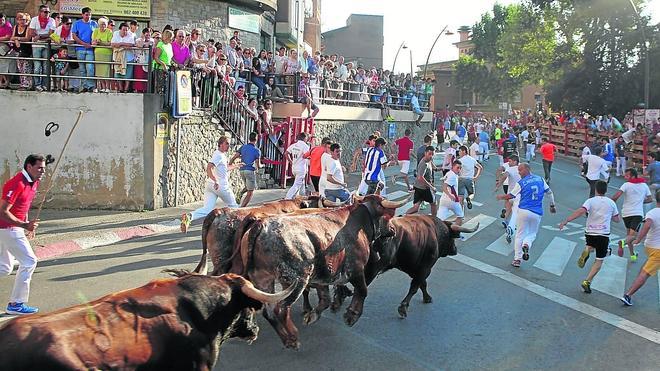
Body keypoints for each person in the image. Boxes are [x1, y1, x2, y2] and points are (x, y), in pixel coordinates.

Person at [0, 154, 46, 315]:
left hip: (14, 228)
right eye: (39, 168)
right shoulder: (17, 183)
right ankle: (15, 304)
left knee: (4, 268)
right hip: (7, 228)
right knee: (29, 261)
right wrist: (24, 225)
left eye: (44, 168)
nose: (43, 171)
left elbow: (23, 206)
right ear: (29, 167)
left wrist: (27, 226)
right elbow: (3, 212)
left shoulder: (34, 182)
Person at [559, 180, 620, 294]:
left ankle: (587, 249)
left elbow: (580, 211)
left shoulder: (590, 201)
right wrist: (609, 215)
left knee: (591, 245)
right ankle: (587, 281)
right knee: (599, 260)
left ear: (596, 189)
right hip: (603, 234)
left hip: (590, 232)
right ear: (606, 190)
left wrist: (567, 220)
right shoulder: (611, 203)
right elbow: (617, 219)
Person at [497, 163, 557, 267]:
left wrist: (501, 197)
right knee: (532, 233)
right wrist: (552, 205)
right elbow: (549, 192)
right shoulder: (540, 179)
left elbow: (511, 195)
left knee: (519, 234)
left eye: (520, 170)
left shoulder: (521, 183)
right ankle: (526, 244)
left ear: (527, 169)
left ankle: (517, 259)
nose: (519, 173)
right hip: (537, 212)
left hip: (523, 210)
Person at [180, 137, 241, 233]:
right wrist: (216, 180)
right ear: (220, 144)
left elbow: (224, 169)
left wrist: (236, 166)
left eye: (229, 144)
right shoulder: (219, 155)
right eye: (227, 143)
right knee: (235, 207)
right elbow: (209, 168)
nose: (229, 146)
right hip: (220, 186)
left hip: (210, 186)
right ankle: (237, 229)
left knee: (207, 209)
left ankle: (189, 216)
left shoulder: (220, 155)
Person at [620, 189, 660, 306]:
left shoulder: (652, 213)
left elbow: (647, 225)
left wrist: (638, 239)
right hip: (658, 250)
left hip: (650, 246)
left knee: (646, 271)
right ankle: (628, 295)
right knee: (645, 273)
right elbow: (647, 225)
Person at [610, 168, 652, 261]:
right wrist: (640, 201)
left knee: (629, 235)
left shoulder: (626, 185)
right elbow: (650, 199)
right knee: (632, 236)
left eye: (627, 175)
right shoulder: (644, 186)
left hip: (626, 214)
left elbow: (616, 196)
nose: (625, 177)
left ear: (633, 176)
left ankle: (632, 254)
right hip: (637, 213)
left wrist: (611, 205)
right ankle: (622, 242)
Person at [27, 5, 55, 91]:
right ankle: (37, 85)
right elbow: (31, 32)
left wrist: (39, 36)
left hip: (46, 45)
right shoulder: (34, 19)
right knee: (37, 66)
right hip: (36, 45)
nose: (47, 14)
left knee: (46, 66)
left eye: (49, 12)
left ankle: (44, 85)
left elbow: (51, 34)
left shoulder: (52, 20)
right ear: (40, 12)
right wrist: (44, 36)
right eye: (45, 12)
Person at [230, 132, 261, 207]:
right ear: (256, 140)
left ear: (249, 138)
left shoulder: (243, 147)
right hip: (250, 171)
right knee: (250, 192)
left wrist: (230, 164)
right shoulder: (257, 150)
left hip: (242, 170)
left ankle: (240, 194)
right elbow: (258, 165)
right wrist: (261, 166)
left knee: (247, 187)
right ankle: (241, 208)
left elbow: (235, 156)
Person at [495, 156, 521, 243]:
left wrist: (498, 185)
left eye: (510, 161)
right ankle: (512, 226)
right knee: (516, 212)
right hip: (520, 196)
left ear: (515, 161)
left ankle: (506, 221)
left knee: (508, 208)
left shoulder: (510, 170)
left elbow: (504, 177)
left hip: (510, 194)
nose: (508, 163)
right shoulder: (523, 169)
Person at [71, 7, 98, 92]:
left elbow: (97, 34)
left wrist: (93, 43)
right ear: (82, 15)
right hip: (80, 49)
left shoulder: (94, 24)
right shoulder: (77, 23)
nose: (88, 17)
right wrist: (83, 44)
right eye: (86, 15)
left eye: (89, 15)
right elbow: (74, 36)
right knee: (82, 69)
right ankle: (84, 86)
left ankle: (91, 86)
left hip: (90, 50)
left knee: (90, 68)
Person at [407, 146, 437, 215]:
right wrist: (432, 187)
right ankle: (434, 220)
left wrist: (443, 168)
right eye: (429, 154)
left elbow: (435, 168)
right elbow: (420, 177)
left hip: (418, 187)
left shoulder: (429, 160)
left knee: (415, 208)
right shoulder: (424, 164)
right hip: (424, 188)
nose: (431, 156)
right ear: (425, 153)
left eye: (432, 154)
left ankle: (403, 217)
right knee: (434, 203)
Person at [285, 132, 311, 199]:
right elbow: (307, 156)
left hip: (294, 167)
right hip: (301, 168)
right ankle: (288, 197)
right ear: (305, 138)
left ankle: (300, 196)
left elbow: (286, 153)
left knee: (301, 183)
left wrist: (290, 161)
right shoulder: (305, 146)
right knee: (297, 184)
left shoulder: (293, 145)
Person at [437, 160, 463, 224]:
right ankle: (457, 232)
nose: (459, 169)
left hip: (443, 200)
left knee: (439, 220)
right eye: (457, 167)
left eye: (460, 168)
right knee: (460, 216)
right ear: (453, 167)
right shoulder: (453, 176)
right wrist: (450, 195)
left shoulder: (449, 173)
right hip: (452, 201)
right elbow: (444, 187)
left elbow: (445, 180)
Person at [457, 145, 483, 210]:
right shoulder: (472, 159)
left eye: (460, 151)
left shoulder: (459, 160)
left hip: (461, 179)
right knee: (471, 194)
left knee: (460, 197)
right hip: (470, 179)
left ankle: (461, 214)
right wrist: (476, 177)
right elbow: (480, 167)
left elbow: (455, 170)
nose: (458, 153)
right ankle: (469, 198)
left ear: (464, 151)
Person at [92, 17, 112, 93]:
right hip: (97, 53)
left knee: (106, 71)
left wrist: (100, 42)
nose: (103, 26)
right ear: (99, 25)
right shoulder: (96, 31)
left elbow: (110, 43)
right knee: (99, 71)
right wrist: (96, 42)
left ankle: (107, 87)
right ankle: (102, 87)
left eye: (104, 24)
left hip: (107, 53)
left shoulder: (109, 31)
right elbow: (93, 42)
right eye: (101, 24)